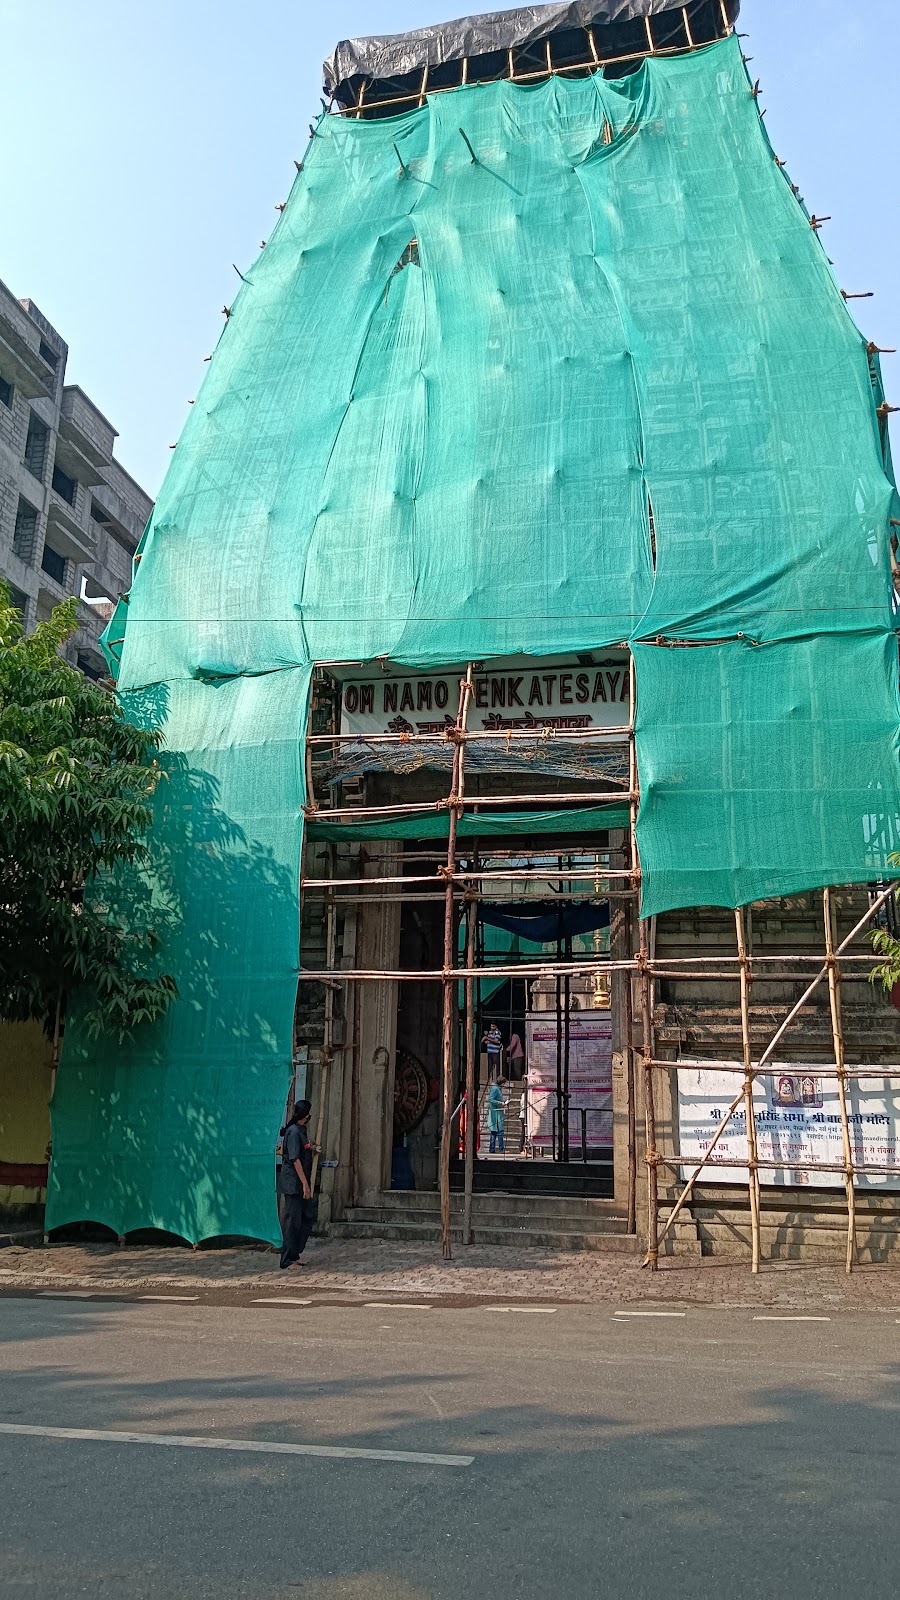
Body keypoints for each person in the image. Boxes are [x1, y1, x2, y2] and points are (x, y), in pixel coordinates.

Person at [277, 1099, 316, 1270]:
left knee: (307, 1216)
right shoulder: (293, 1133)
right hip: (294, 1183)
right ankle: (286, 1259)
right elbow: (295, 1160)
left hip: (301, 1182)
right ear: (305, 1115)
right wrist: (305, 1184)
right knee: (292, 1221)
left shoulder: (302, 1130)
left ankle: (294, 1254)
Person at [487, 1078, 506, 1154]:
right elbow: (491, 1099)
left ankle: (492, 1149)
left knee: (494, 1132)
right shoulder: (495, 1089)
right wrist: (500, 1103)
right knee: (499, 1131)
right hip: (495, 1113)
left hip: (498, 1112)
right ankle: (501, 1148)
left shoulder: (498, 1089)